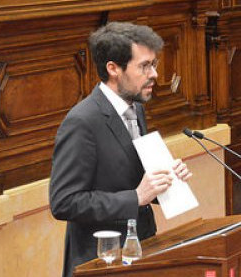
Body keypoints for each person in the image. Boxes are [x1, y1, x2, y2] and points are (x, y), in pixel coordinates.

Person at [49, 22, 192, 277]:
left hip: (142, 251)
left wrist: (165, 181)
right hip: (101, 262)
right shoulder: (82, 122)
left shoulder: (136, 108)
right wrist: (135, 197)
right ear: (113, 68)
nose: (154, 74)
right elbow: (64, 202)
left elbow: (130, 176)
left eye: (154, 64)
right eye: (144, 66)